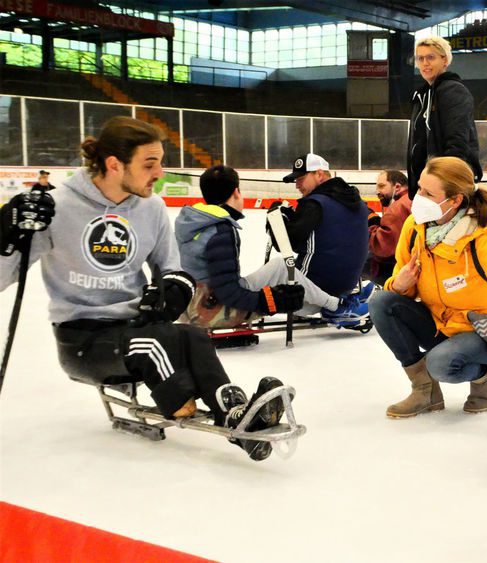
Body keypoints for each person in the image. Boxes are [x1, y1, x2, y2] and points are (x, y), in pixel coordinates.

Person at [0, 116, 292, 461]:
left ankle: (237, 412)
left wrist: (172, 292)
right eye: (149, 164)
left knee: (192, 335)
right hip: (83, 339)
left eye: (160, 163)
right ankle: (182, 403)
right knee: (153, 343)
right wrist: (6, 235)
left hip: (134, 328)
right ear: (114, 164)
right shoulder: (59, 208)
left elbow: (174, 270)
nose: (160, 173)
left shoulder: (150, 208)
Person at [370, 156, 487, 418]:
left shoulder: (485, 236)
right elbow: (400, 276)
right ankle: (425, 391)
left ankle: (484, 376)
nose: (417, 197)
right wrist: (399, 284)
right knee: (381, 301)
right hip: (440, 320)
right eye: (419, 188)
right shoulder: (414, 228)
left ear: (454, 200)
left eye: (428, 193)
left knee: (440, 364)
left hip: (480, 329)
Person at [175, 165, 367, 328]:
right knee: (282, 268)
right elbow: (229, 292)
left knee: (280, 271)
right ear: (236, 192)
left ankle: (333, 303)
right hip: (209, 312)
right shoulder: (220, 230)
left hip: (191, 306)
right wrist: (270, 301)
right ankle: (337, 306)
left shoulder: (195, 220)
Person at [275, 153, 373, 314]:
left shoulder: (314, 204)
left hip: (313, 290)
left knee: (274, 270)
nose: (297, 185)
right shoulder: (357, 201)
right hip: (348, 284)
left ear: (319, 174)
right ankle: (344, 302)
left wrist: (278, 221)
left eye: (301, 178)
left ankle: (336, 307)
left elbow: (285, 245)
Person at [406, 35, 482, 200]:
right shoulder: (422, 95)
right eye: (420, 58)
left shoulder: (453, 91)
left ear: (445, 60)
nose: (425, 63)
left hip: (445, 188)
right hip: (426, 186)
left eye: (431, 57)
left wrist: (447, 185)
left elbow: (457, 142)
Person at [367, 170, 412, 286]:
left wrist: (371, 224)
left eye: (382, 186)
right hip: (411, 264)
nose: (377, 192)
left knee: (359, 260)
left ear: (397, 187)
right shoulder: (410, 200)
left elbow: (382, 248)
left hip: (400, 269)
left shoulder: (397, 208)